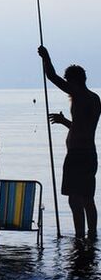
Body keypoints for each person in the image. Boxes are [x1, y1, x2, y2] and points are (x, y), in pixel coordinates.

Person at [38, 46, 101, 239]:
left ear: (74, 80)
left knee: (75, 200)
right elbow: (83, 127)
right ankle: (91, 235)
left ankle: (79, 236)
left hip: (77, 155)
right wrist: (65, 121)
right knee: (88, 199)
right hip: (89, 153)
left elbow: (51, 76)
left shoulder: (80, 94)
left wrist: (46, 56)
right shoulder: (95, 98)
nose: (67, 86)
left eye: (68, 82)